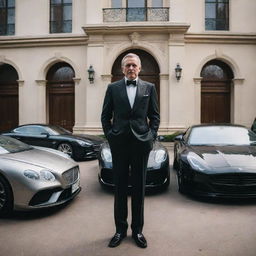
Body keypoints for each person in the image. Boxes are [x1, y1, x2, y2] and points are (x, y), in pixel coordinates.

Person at [101, 53, 160, 248]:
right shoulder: (113, 88)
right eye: (128, 65)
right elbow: (105, 116)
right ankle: (119, 230)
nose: (131, 68)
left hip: (141, 144)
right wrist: (111, 136)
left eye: (134, 65)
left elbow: (155, 116)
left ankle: (137, 231)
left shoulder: (149, 88)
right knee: (119, 189)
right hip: (119, 145)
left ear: (140, 68)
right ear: (122, 68)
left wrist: (150, 137)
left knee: (138, 188)